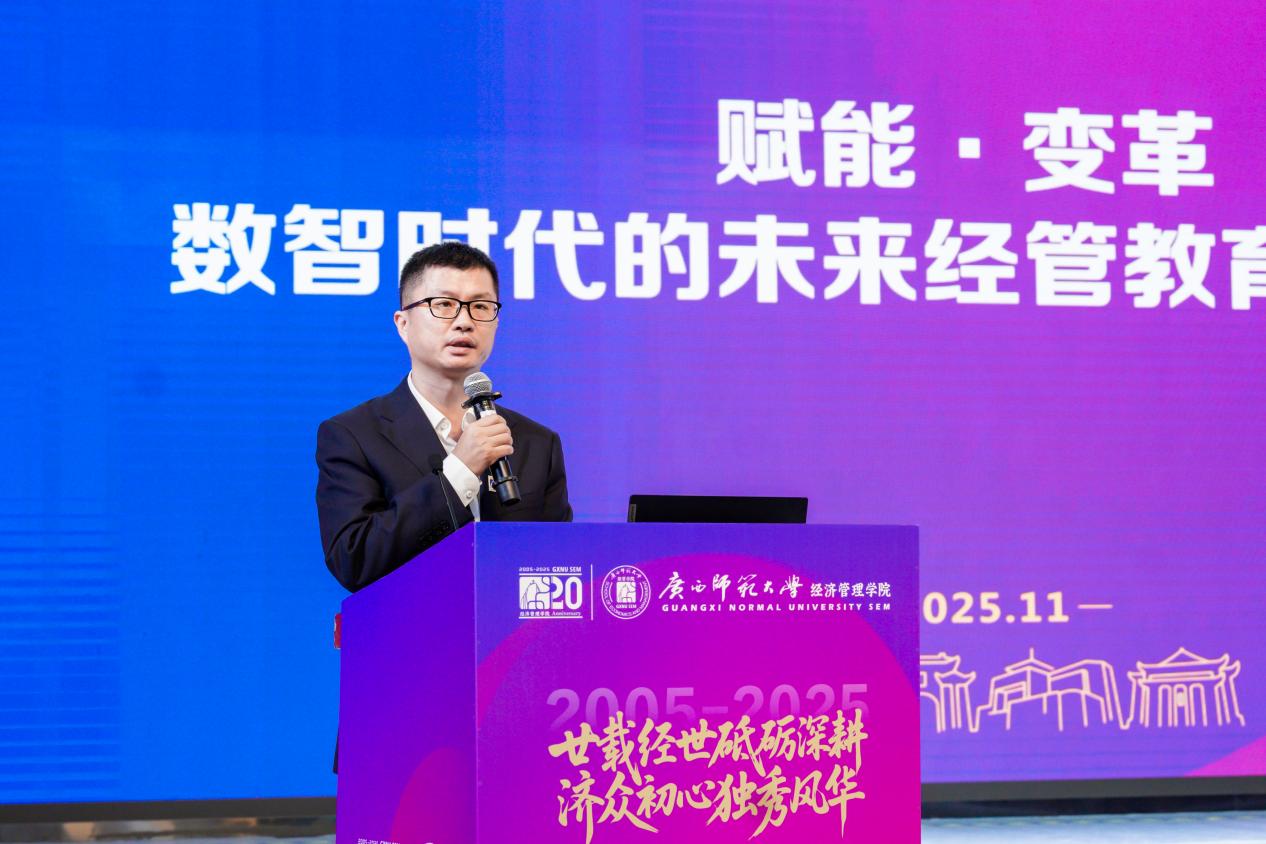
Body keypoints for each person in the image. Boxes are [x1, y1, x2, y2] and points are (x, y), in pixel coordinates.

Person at [316, 241, 572, 592]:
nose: (464, 322)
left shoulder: (537, 443)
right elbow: (354, 560)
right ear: (403, 324)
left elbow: (559, 568)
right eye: (444, 305)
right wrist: (460, 471)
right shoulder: (354, 435)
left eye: (480, 307)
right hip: (410, 625)